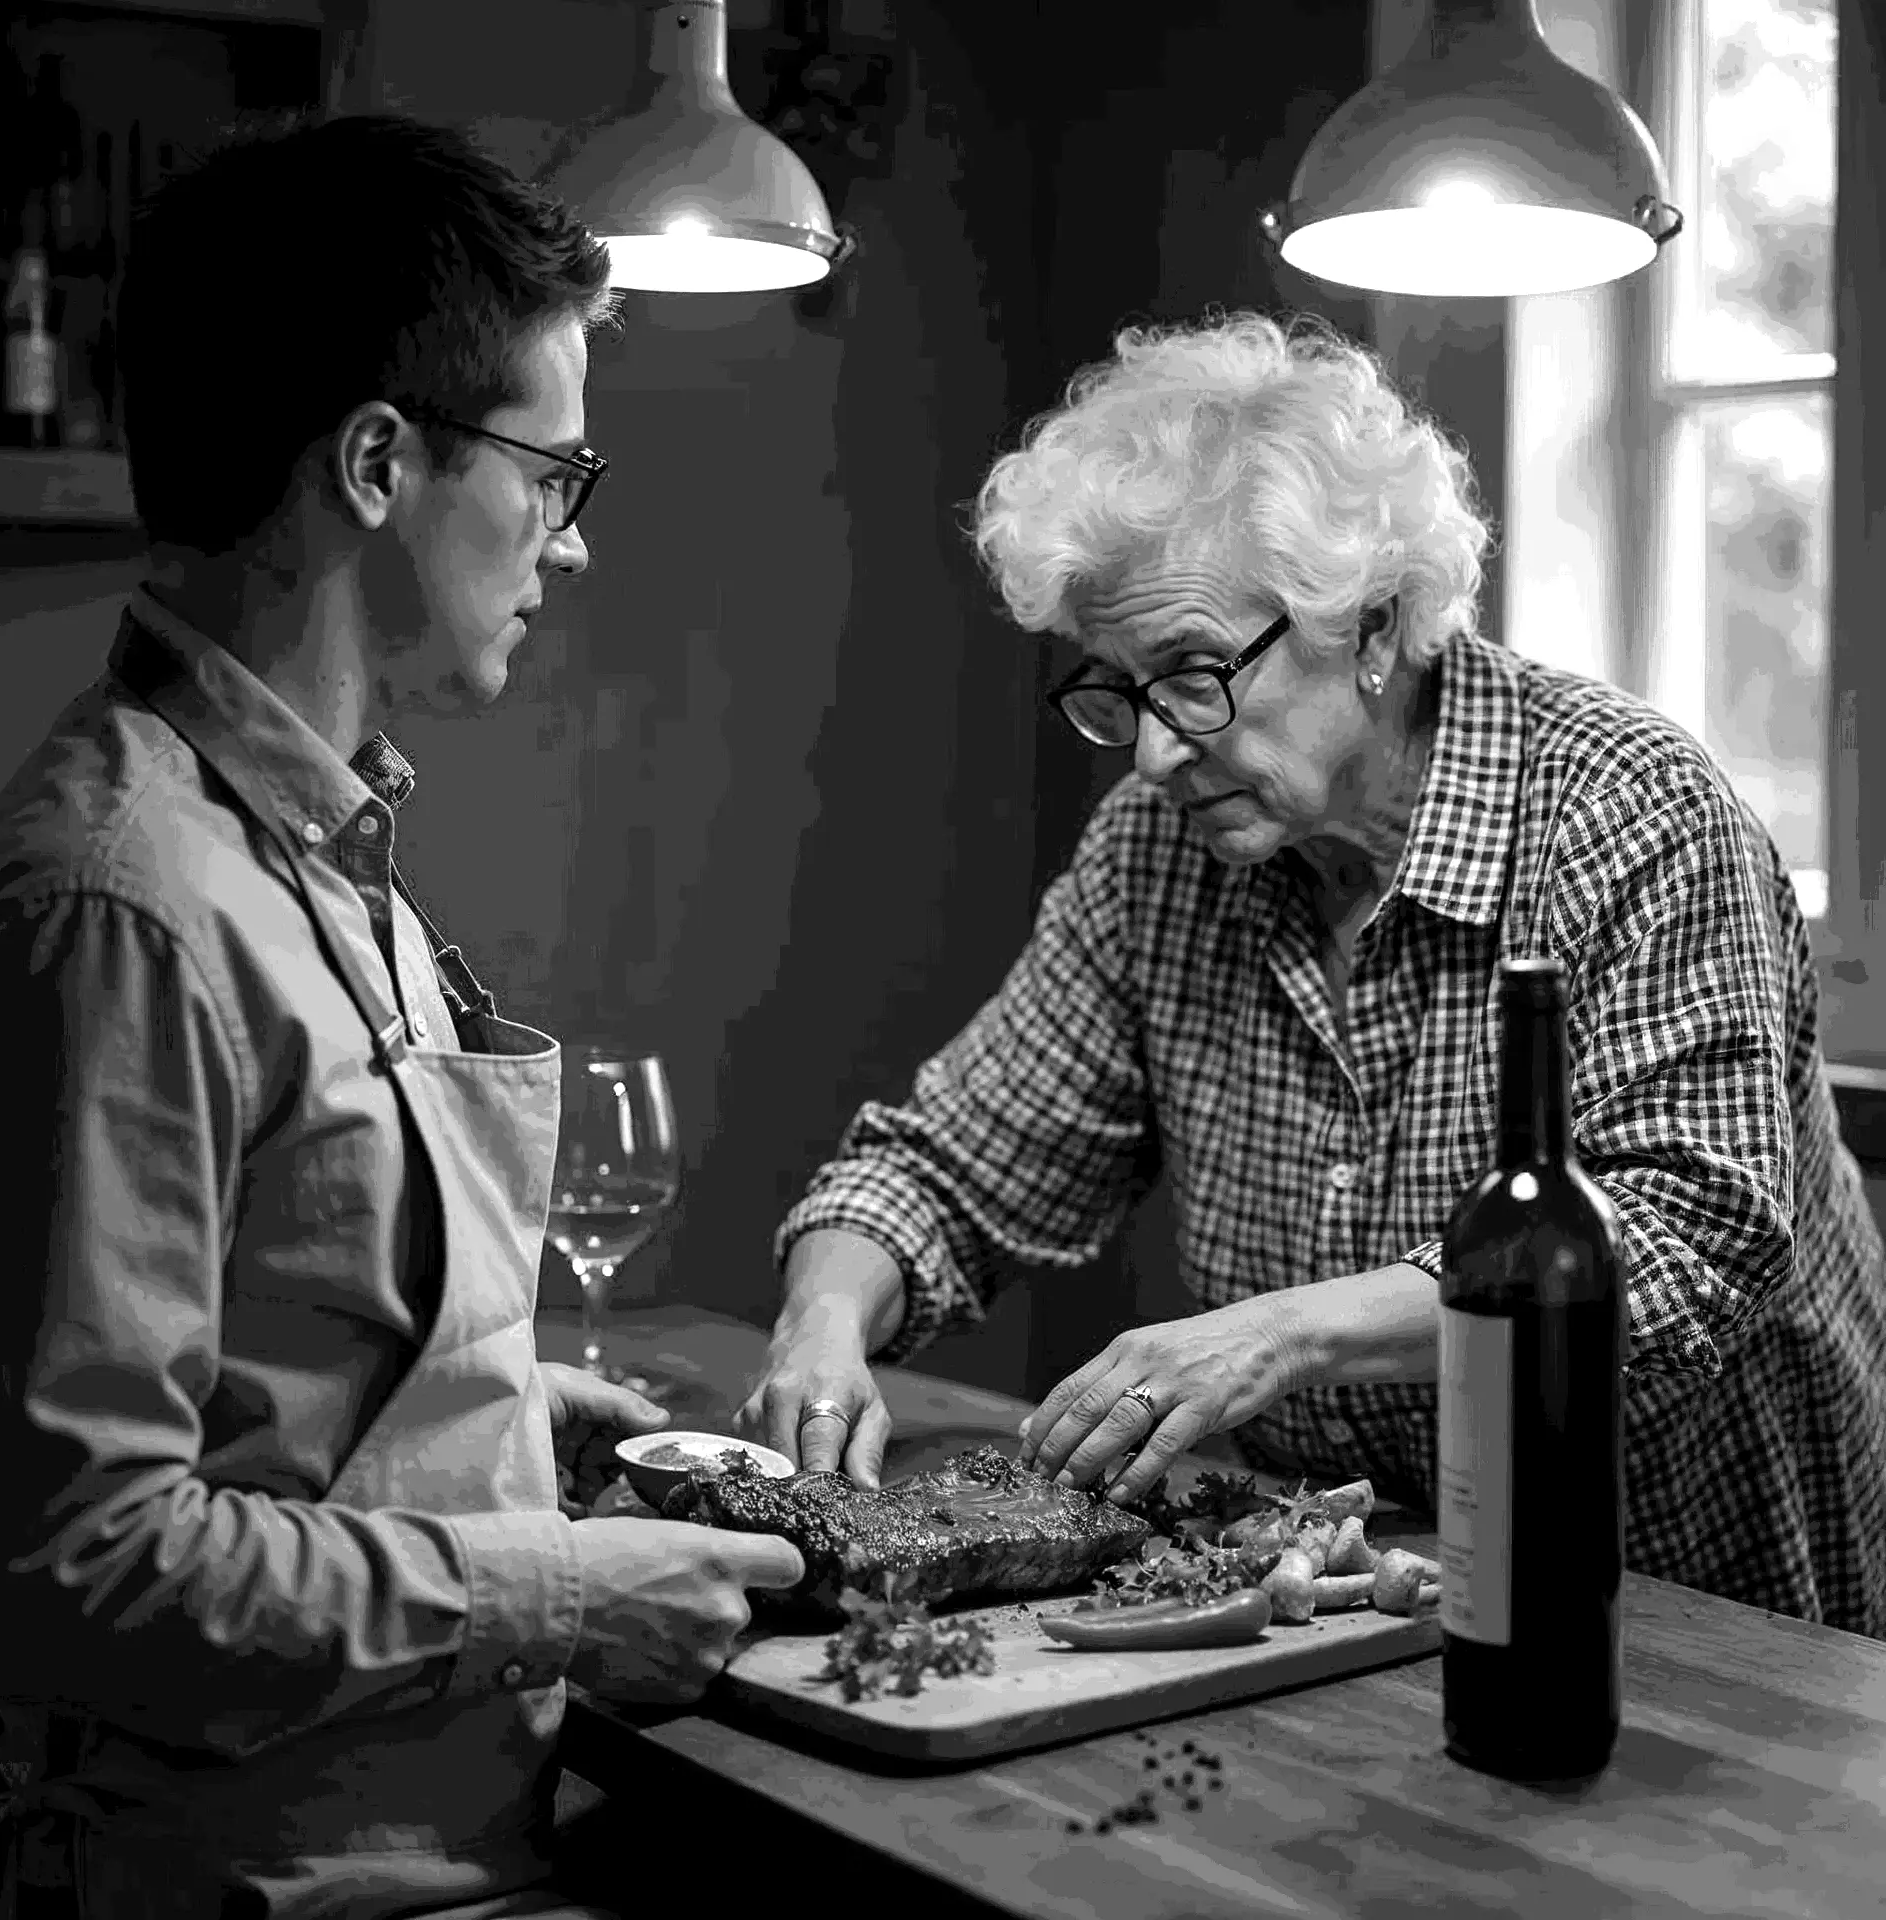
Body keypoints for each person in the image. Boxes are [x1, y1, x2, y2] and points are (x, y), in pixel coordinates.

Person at [742, 309, 1886, 1641]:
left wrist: (1283, 1334)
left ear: (1379, 625)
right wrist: (823, 1325)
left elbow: (1689, 1237)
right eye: (1115, 690)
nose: (1154, 757)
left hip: (1692, 1609)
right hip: (1351, 1608)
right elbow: (951, 1168)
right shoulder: (1156, 858)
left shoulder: (1626, 811)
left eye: (1194, 675)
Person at [0, 113, 801, 1920]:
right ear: (373, 463)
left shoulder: (325, 844)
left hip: (466, 1842)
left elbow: (277, 1379)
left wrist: (499, 1416)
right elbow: (78, 1565)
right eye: (551, 475)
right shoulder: (123, 902)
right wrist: (555, 1592)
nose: (567, 543)